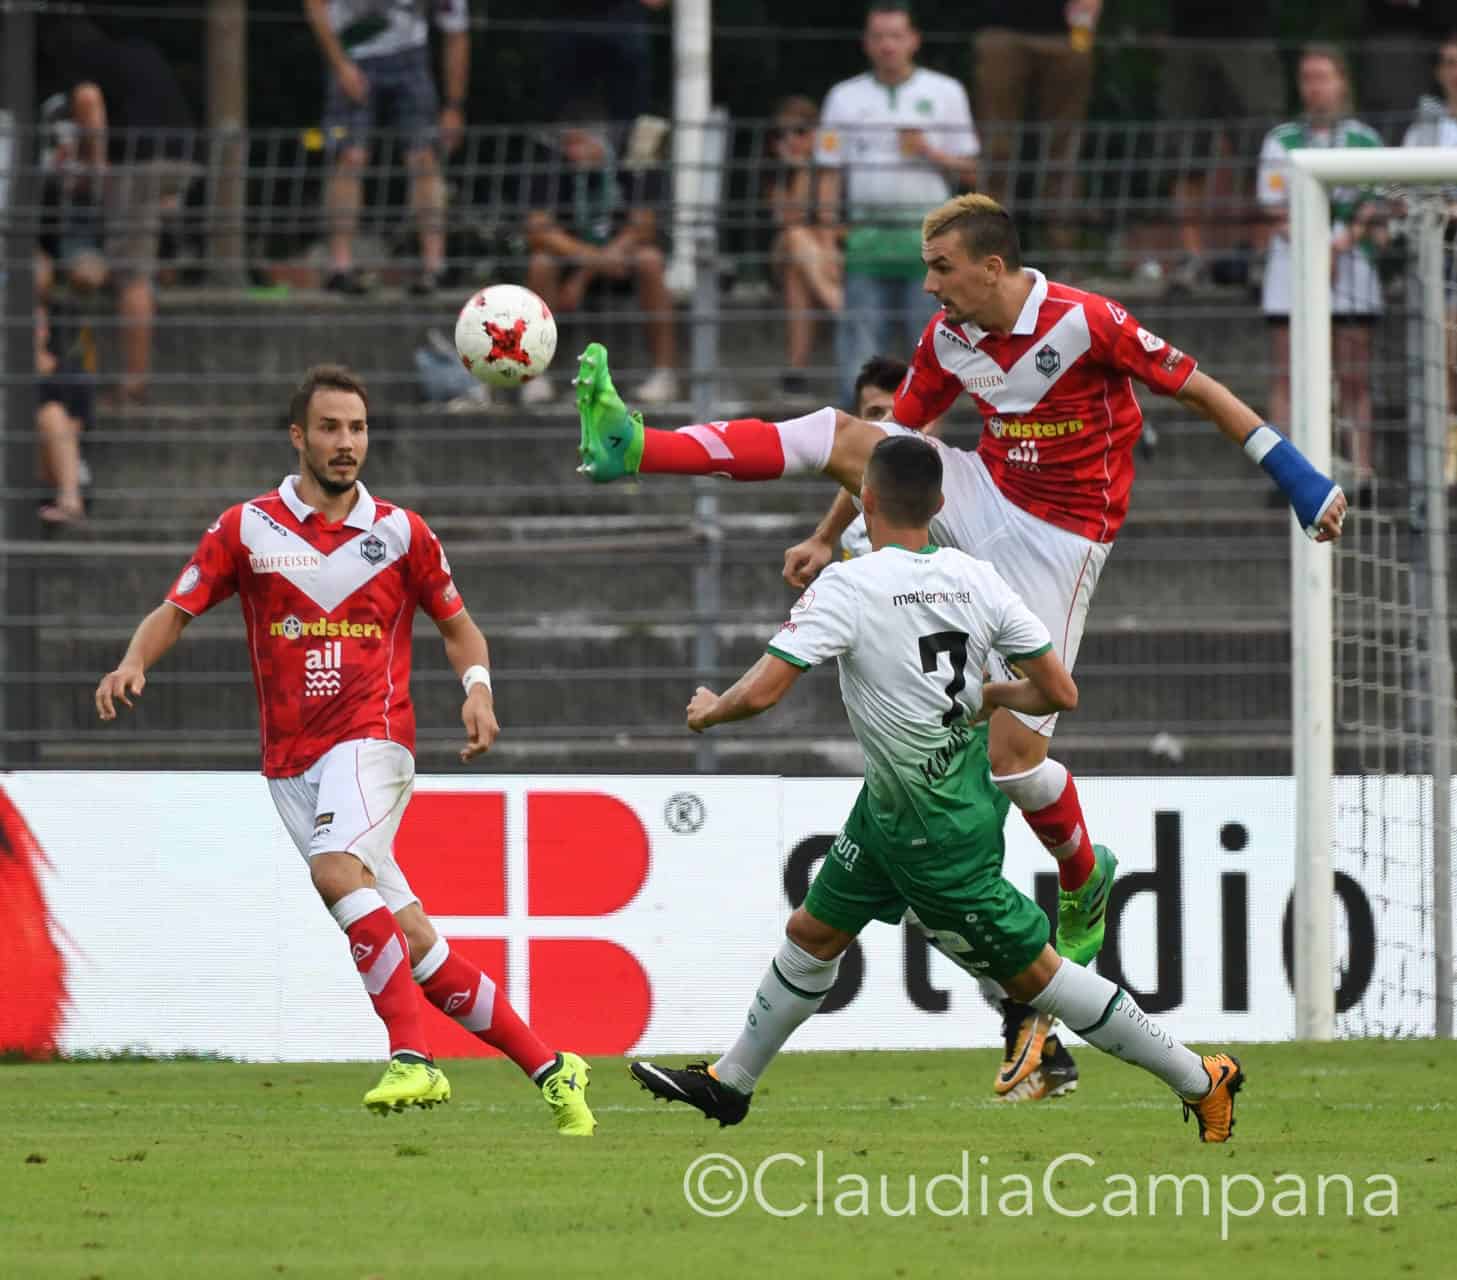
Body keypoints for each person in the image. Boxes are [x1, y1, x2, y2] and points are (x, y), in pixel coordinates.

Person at [573, 193, 1348, 1080]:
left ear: (992, 265)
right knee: (841, 432)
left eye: (941, 268)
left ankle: (1082, 875)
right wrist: (827, 535)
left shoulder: (1087, 321)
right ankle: (638, 446)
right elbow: (892, 450)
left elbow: (1201, 389)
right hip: (986, 494)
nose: (930, 285)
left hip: (1063, 540)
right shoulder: (948, 340)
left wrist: (1298, 478)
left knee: (1014, 761)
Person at [629, 436, 1243, 1141]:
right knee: (813, 932)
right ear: (941, 503)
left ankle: (1201, 1078)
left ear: (864, 499)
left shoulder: (849, 586)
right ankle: (730, 1082)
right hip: (909, 805)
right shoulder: (976, 577)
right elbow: (1058, 692)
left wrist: (712, 709)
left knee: (1037, 981)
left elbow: (764, 691)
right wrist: (986, 697)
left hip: (933, 831)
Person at [93, 365, 596, 1134]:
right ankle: (553, 1068)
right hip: (290, 763)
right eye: (330, 428)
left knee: (335, 871)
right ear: (298, 436)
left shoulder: (402, 532)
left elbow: (459, 628)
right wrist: (133, 661)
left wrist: (478, 689)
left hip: (374, 738)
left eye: (357, 428)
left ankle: (412, 1058)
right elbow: (177, 606)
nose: (346, 442)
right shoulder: (246, 528)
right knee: (415, 943)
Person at [839, 355, 1077, 1101]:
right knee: (936, 904)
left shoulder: (960, 522)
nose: (884, 428)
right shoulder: (861, 527)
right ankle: (1035, 1029)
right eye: (870, 417)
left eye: (895, 414)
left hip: (954, 746)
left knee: (944, 896)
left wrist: (990, 698)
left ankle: (1043, 1013)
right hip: (901, 752)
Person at [817, 2, 979, 402]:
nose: (887, 45)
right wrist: (826, 242)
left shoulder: (946, 92)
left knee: (931, 356)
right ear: (866, 43)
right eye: (879, 37)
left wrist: (928, 150)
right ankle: (861, 439)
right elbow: (829, 174)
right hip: (865, 241)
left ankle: (924, 438)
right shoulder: (843, 96)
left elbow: (972, 171)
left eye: (896, 36)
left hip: (931, 245)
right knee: (859, 358)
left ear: (914, 40)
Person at [36, 17, 197, 406]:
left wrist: (97, 167)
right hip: (182, 159)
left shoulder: (81, 65)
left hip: (139, 165)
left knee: (131, 277)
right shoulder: (137, 50)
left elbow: (89, 102)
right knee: (142, 255)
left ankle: (132, 386)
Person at [1257, 47, 1385, 485]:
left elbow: (1374, 202)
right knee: (1287, 374)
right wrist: (1316, 248)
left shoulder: (1366, 140)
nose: (1315, 88)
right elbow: (1274, 207)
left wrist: (1339, 243)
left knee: (1353, 375)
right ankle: (1286, 476)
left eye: (1323, 77)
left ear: (1342, 82)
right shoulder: (1279, 140)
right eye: (1307, 78)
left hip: (1353, 271)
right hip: (1290, 273)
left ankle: (1361, 472)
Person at [303, 0, 471, 295]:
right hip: (352, 51)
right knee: (350, 156)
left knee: (423, 156)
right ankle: (339, 267)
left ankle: (435, 266)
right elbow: (315, 5)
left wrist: (453, 106)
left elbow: (456, 33)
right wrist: (340, 65)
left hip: (411, 56)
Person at [524, 113, 678, 405]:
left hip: (620, 260)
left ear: (601, 142)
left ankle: (664, 374)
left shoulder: (631, 165)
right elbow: (539, 231)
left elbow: (643, 227)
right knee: (541, 263)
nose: (572, 153)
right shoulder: (554, 169)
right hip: (574, 261)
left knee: (650, 260)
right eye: (567, 145)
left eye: (579, 143)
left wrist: (585, 275)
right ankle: (535, 374)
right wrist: (593, 261)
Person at [1156, 2, 1285, 294]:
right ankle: (1192, 258)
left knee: (1259, 152)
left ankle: (1261, 255)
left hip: (1248, 34)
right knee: (1184, 155)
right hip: (1187, 34)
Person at [972, 0, 1101, 255]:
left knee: (1064, 149)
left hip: (1069, 33)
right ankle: (989, 247)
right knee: (996, 147)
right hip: (1001, 28)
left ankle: (1061, 251)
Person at [1402, 32, 1457, 490]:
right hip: (1438, 259)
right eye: (1449, 62)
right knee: (1443, 358)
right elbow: (1400, 189)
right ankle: (1447, 457)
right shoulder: (1422, 131)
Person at [765, 97, 843, 398]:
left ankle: (796, 372)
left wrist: (826, 244)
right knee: (796, 236)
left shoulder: (834, 168)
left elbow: (838, 223)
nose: (790, 140)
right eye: (781, 134)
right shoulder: (776, 174)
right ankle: (839, 307)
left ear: (815, 133)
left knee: (798, 275)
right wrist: (801, 170)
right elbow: (790, 219)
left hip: (822, 254)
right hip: (795, 248)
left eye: (799, 131)